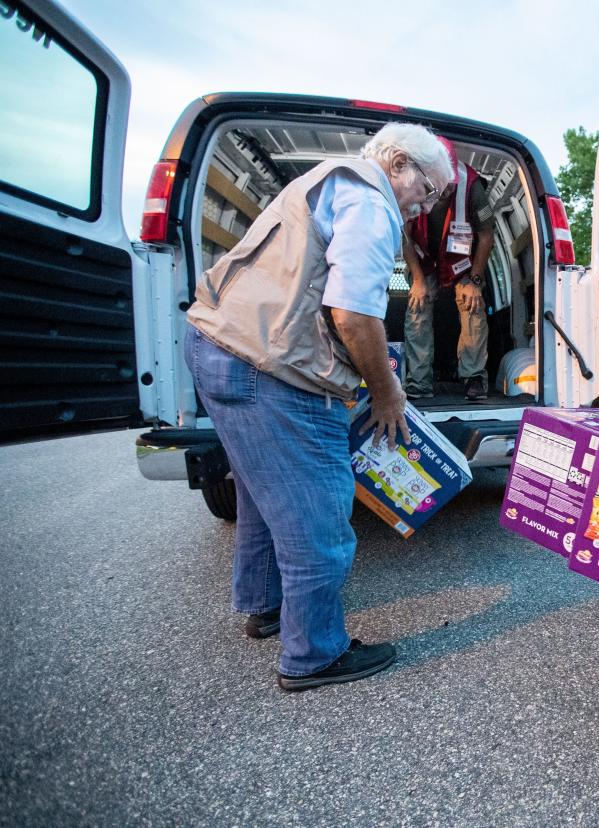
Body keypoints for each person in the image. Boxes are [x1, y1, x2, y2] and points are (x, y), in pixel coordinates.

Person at [183, 123, 453, 691]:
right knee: (319, 515)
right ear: (399, 162)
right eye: (427, 191)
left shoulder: (325, 182)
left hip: (218, 347)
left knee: (260, 493)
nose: (421, 208)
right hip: (269, 368)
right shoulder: (372, 203)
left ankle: (265, 606)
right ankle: (314, 654)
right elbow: (353, 315)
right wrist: (387, 392)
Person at [402, 137, 496, 402]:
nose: (445, 192)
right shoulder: (410, 183)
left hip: (460, 260)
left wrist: (475, 280)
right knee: (417, 307)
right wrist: (418, 280)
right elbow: (404, 235)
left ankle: (474, 378)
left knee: (472, 305)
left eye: (449, 184)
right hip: (424, 258)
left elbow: (486, 234)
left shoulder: (473, 186)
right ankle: (418, 384)